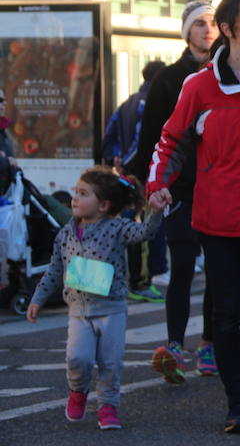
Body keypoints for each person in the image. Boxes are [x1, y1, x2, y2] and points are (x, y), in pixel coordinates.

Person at [148, 0, 240, 433]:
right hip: (217, 219)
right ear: (228, 28)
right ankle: (236, 402)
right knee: (225, 313)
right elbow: (170, 140)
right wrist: (157, 184)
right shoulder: (199, 85)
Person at [26, 166, 170, 430]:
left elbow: (144, 234)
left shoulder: (116, 228)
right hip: (79, 311)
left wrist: (156, 212)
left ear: (103, 205)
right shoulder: (65, 234)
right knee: (77, 359)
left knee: (110, 362)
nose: (75, 199)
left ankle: (108, 406)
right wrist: (37, 299)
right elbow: (54, 270)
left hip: (112, 309)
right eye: (75, 193)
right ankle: (78, 390)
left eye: (83, 193)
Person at [128, 1, 219, 381]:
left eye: (213, 23)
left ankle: (210, 344)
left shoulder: (229, 73)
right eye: (199, 24)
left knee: (219, 272)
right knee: (182, 267)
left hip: (220, 189)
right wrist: (152, 184)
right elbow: (153, 137)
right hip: (180, 190)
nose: (207, 29)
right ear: (186, 32)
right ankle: (175, 345)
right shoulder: (169, 78)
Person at [102, 60, 168, 304]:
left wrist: (115, 159)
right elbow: (142, 142)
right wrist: (128, 164)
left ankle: (136, 279)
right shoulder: (148, 102)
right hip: (141, 174)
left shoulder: (127, 101)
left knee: (132, 223)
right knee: (147, 226)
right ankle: (142, 281)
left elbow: (109, 136)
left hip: (127, 174)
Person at [0, 88, 15, 165]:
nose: (5, 103)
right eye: (0, 100)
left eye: (4, 100)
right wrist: (6, 160)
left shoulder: (4, 130)